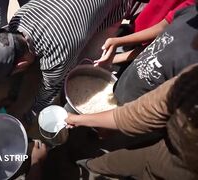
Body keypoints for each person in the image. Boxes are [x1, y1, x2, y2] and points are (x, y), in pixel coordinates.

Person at [0, 0, 132, 126]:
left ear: (21, 65)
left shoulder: (58, 53)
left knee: (86, 58)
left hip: (114, 4)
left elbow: (48, 92)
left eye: (13, 72)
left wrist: (26, 114)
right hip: (70, 11)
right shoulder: (17, 20)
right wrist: (15, 93)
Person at [65, 63, 198, 179]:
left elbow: (133, 117)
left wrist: (77, 119)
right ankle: (89, 165)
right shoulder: (192, 80)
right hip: (164, 146)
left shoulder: (192, 81)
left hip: (181, 171)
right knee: (117, 161)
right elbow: (140, 114)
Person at [95, 0, 195, 68]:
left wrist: (116, 52)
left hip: (149, 46)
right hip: (134, 29)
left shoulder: (192, 6)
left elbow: (163, 28)